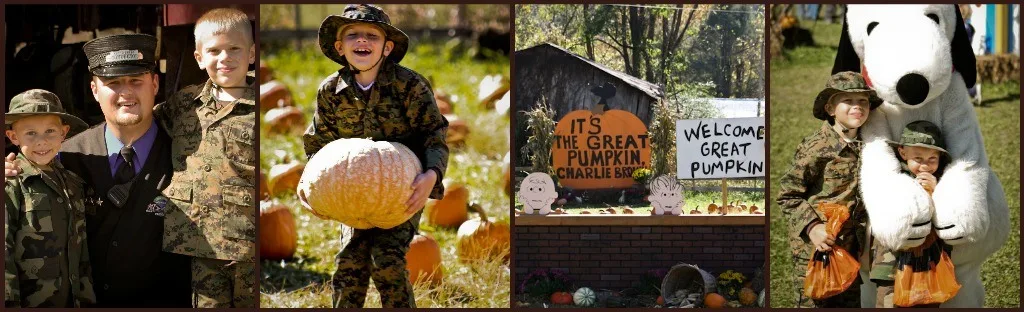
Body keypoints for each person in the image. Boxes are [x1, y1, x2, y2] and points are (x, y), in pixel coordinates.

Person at [6, 34, 192, 307]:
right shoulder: (64, 156)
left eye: (136, 81)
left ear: (154, 84)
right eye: (113, 83)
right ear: (94, 90)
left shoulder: (189, 155)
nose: (126, 92)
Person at [303, 4, 449, 308]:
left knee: (387, 262)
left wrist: (431, 177)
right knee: (349, 264)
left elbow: (434, 135)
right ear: (340, 47)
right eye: (353, 34)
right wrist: (310, 183)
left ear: (387, 47)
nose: (362, 40)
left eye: (372, 35)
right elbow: (318, 143)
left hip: (402, 188)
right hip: (349, 190)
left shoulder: (410, 86)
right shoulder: (329, 91)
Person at [154, 8, 257, 308]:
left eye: (234, 48)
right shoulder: (185, 102)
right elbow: (140, 126)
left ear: (251, 54)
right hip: (201, 242)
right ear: (199, 58)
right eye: (214, 50)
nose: (225, 58)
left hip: (249, 243)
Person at [776, 71, 881, 308]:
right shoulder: (817, 147)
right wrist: (813, 227)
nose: (857, 107)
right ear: (831, 109)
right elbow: (788, 195)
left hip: (850, 251)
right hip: (817, 250)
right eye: (848, 101)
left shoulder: (870, 145)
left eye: (863, 101)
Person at [4, 90, 95, 307]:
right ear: (13, 137)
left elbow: (81, 249)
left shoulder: (74, 183)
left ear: (64, 133)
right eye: (31, 133)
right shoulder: (11, 183)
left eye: (50, 131)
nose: (42, 141)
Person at [871, 120, 952, 308]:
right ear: (902, 152)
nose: (925, 166)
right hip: (891, 264)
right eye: (918, 158)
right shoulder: (893, 177)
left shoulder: (944, 182)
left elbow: (951, 216)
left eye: (932, 159)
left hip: (929, 265)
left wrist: (937, 191)